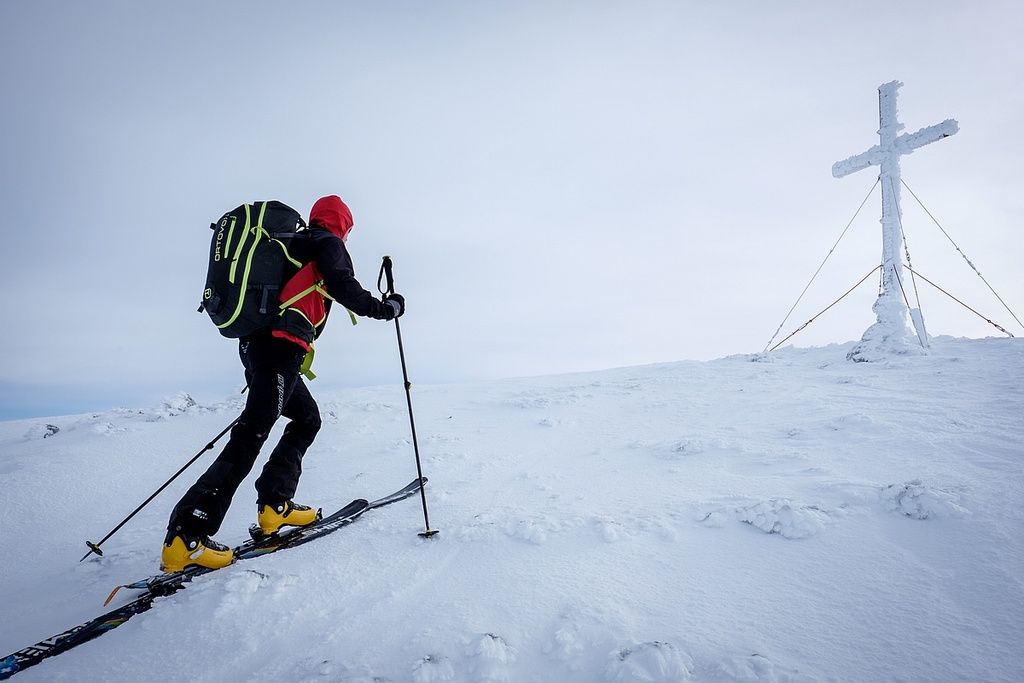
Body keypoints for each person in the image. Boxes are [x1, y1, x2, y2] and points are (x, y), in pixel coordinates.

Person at [161, 195, 405, 573]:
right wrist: (386, 308)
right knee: (250, 436)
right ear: (342, 223)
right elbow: (345, 288)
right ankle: (185, 536)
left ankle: (275, 506)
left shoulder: (293, 243)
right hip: (279, 352)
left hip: (259, 348)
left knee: (306, 418)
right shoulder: (327, 243)